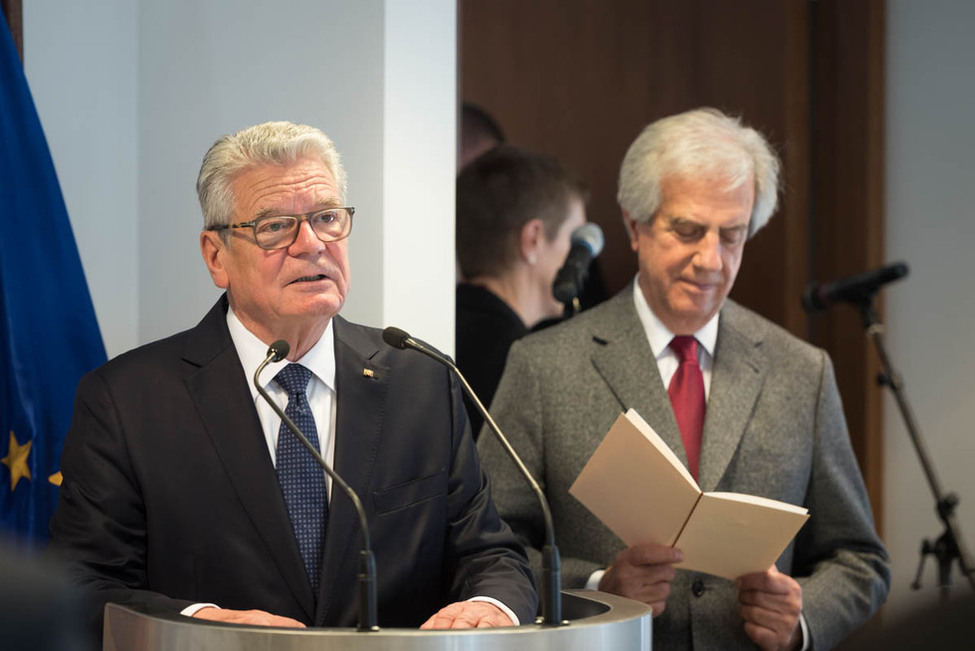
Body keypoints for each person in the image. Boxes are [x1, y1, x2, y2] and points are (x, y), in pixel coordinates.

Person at [50, 121, 537, 638]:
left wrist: (491, 603)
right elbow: (83, 584)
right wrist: (201, 625)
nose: (312, 244)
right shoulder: (128, 401)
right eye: (276, 226)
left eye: (327, 218)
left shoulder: (422, 379)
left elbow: (488, 551)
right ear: (216, 256)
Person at [477, 108, 890, 650]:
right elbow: (489, 547)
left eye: (733, 235)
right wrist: (601, 586)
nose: (711, 259)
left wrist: (800, 617)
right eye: (688, 230)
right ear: (634, 225)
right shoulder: (544, 366)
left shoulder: (801, 371)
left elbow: (859, 559)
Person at [456, 145, 587, 436]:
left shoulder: (435, 336)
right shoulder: (525, 364)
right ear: (533, 239)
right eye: (575, 240)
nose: (581, 260)